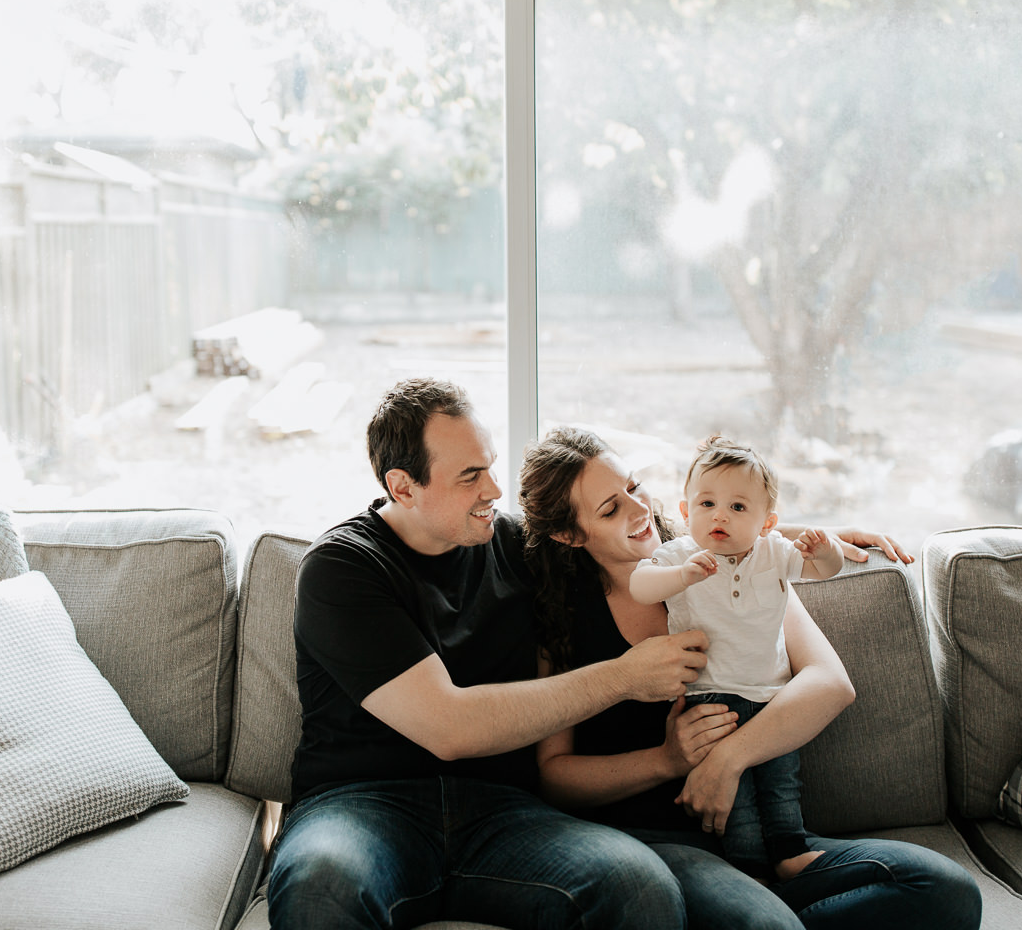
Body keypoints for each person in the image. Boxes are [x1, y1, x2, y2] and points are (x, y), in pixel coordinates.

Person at [267, 379, 707, 929]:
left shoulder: (519, 548)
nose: (496, 489)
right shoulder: (342, 568)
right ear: (403, 487)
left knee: (639, 886)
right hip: (363, 806)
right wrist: (621, 678)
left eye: (491, 465)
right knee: (320, 886)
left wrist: (782, 537)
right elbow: (449, 727)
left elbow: (635, 540)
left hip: (504, 812)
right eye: (470, 476)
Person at [520, 426, 982, 930]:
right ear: (569, 534)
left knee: (946, 890)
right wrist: (668, 760)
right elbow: (555, 778)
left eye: (633, 487)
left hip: (773, 837)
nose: (637, 510)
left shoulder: (741, 563)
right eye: (609, 509)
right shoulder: (564, 618)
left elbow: (829, 684)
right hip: (665, 843)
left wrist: (726, 761)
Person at [631, 436, 844, 881]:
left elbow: (826, 570)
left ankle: (790, 853)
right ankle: (748, 868)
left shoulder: (775, 554)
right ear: (686, 512)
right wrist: (680, 576)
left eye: (738, 507)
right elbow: (640, 587)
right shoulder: (679, 555)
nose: (720, 515)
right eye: (706, 503)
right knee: (739, 801)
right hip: (710, 700)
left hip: (773, 698)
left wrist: (826, 551)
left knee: (781, 785)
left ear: (768, 523)